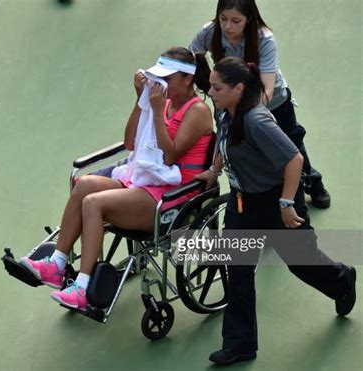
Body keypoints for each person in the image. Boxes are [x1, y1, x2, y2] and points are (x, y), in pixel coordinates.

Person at [20, 47, 214, 310]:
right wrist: (140, 101)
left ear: (187, 79)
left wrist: (156, 112)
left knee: (94, 204)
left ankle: (82, 288)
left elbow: (169, 157)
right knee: (84, 185)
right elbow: (130, 142)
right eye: (158, 79)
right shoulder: (163, 102)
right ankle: (57, 264)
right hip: (145, 182)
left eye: (166, 79)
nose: (160, 85)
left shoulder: (198, 110)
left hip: (172, 196)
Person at [195, 56, 356, 365]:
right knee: (238, 271)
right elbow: (224, 143)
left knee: (300, 262)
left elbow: (294, 160)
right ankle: (240, 344)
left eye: (216, 87)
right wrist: (214, 171)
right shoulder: (225, 111)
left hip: (276, 201)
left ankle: (341, 279)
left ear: (238, 88)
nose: (210, 92)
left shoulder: (257, 120)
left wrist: (285, 204)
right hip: (242, 203)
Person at [189, 0, 331, 208]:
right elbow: (190, 57)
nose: (228, 26)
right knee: (232, 144)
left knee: (291, 147)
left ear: (249, 20)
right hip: (231, 105)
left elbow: (267, 87)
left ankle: (313, 183)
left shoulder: (264, 39)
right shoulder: (210, 32)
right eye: (223, 19)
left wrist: (246, 115)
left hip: (273, 104)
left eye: (236, 21)